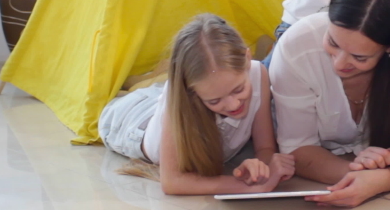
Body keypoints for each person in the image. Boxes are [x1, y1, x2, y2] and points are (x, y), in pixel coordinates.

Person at [270, 0, 390, 207]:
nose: (339, 64)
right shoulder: (298, 43)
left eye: (359, 57)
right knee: (254, 81)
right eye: (332, 43)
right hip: (275, 69)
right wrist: (354, 173)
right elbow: (296, 147)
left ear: (389, 49)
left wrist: (381, 181)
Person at [99, 14, 295, 195]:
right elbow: (173, 182)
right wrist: (247, 187)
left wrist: (259, 167)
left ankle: (154, 78)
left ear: (247, 58)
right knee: (152, 95)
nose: (234, 104)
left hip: (164, 98)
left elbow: (265, 148)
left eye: (238, 89)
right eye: (215, 101)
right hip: (132, 121)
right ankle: (150, 80)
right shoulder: (179, 99)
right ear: (191, 92)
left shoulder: (257, 73)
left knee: (163, 89)